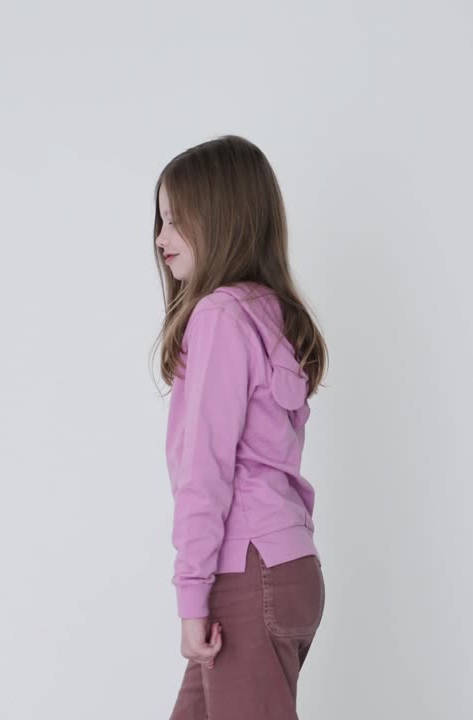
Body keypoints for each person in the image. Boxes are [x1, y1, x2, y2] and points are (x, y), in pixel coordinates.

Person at [152, 135, 329, 719]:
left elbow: (206, 471)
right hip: (287, 566)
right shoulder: (269, 312)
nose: (161, 239)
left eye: (175, 220)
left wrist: (191, 594)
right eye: (160, 222)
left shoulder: (219, 316)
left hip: (247, 572)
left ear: (221, 218)